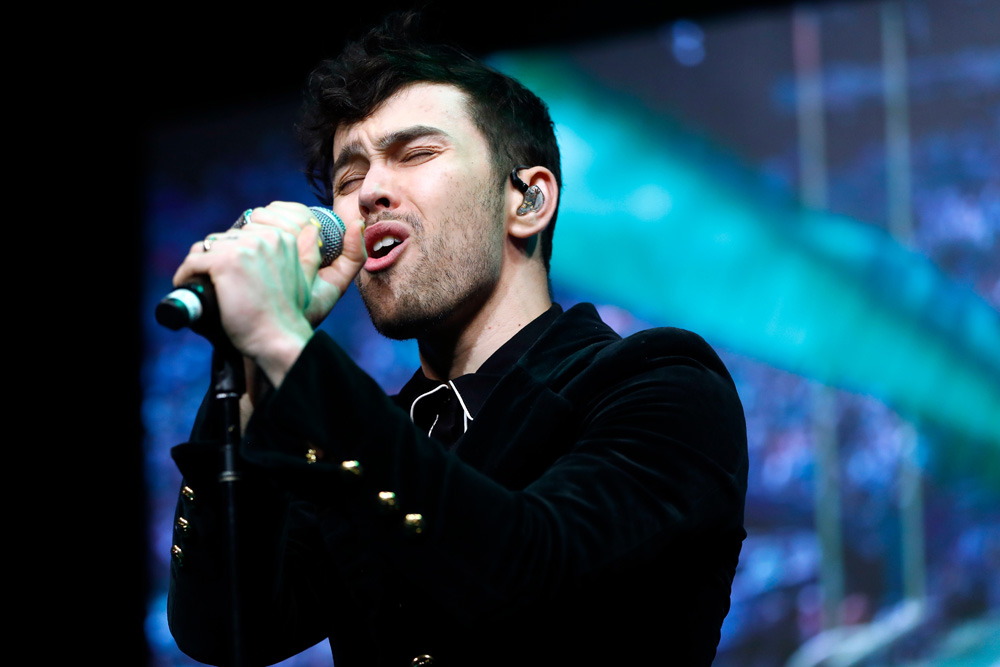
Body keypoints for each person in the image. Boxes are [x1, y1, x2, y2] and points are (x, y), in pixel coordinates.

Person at [167, 13, 748, 667]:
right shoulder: (369, 430)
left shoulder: (659, 379)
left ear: (527, 201)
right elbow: (226, 627)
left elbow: (528, 569)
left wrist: (285, 345)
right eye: (348, 177)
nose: (369, 193)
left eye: (415, 153)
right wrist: (245, 360)